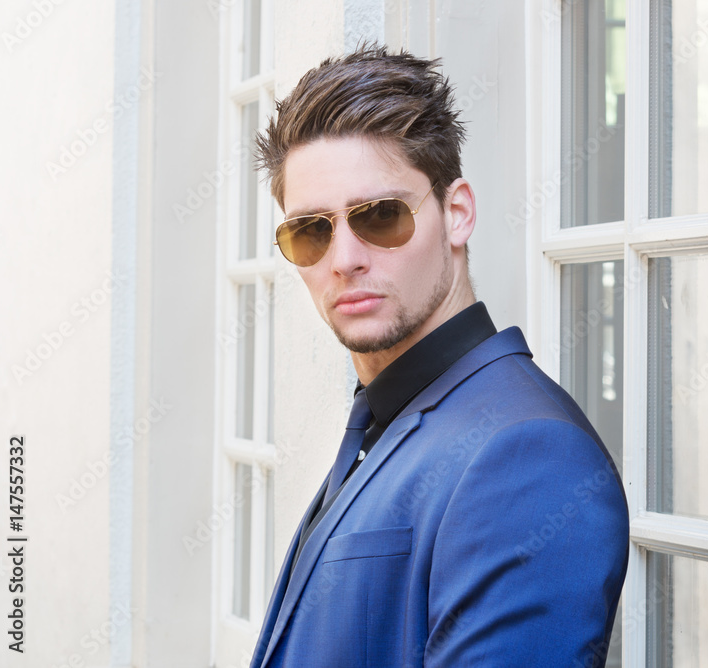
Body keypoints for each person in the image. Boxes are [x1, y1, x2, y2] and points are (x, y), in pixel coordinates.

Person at [249, 44, 629, 668]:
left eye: (380, 216)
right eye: (311, 230)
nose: (344, 259)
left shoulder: (527, 455)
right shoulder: (386, 417)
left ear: (456, 214)